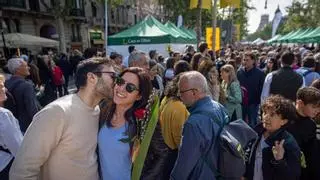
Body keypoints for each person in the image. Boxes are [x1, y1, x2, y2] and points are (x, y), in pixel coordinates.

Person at [10, 57, 116, 180]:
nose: (117, 82)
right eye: (112, 76)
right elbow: (22, 171)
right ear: (92, 77)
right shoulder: (57, 112)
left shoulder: (97, 110)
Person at [171, 71, 228, 179]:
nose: (179, 95)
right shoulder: (219, 107)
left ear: (194, 92)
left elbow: (185, 162)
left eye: (182, 91)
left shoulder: (193, 123)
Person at [98, 67, 152, 180]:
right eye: (120, 81)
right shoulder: (103, 110)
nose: (121, 88)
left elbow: (161, 154)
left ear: (139, 96)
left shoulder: (142, 122)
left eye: (130, 87)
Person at [244, 95, 301, 180]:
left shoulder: (288, 143)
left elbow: (293, 176)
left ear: (283, 121)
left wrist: (280, 160)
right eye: (264, 112)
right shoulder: (256, 133)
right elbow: (248, 155)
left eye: (272, 114)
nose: (266, 117)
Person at [287, 87, 320, 180]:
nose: (317, 110)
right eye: (314, 107)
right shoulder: (285, 119)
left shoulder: (311, 124)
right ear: (300, 103)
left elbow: (311, 153)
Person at [159, 75, 189, 179]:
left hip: (165, 151)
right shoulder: (179, 107)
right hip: (173, 153)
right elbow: (179, 136)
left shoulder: (167, 99)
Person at [5, 58, 40, 133]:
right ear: (18, 69)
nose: (29, 67)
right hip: (27, 126)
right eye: (26, 66)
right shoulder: (26, 86)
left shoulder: (6, 84)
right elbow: (32, 109)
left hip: (13, 124)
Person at [0, 74, 23, 180]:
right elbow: (18, 148)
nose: (5, 89)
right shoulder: (3, 115)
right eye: (1, 87)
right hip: (6, 166)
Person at [237, 52, 265, 127]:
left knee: (252, 123)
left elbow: (261, 88)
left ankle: (253, 138)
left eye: (247, 60)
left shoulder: (260, 73)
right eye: (244, 60)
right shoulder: (240, 72)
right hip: (242, 103)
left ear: (253, 61)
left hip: (253, 103)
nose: (245, 62)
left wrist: (258, 101)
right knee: (241, 123)